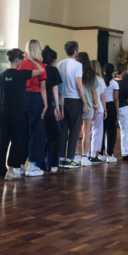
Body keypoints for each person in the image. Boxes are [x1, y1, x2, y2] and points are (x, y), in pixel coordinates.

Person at [0, 49, 44, 180]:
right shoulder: (21, 74)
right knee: (17, 140)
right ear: (17, 60)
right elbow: (41, 70)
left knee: (3, 141)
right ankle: (11, 170)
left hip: (5, 110)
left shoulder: (2, 75)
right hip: (18, 111)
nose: (22, 62)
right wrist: (31, 59)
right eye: (22, 60)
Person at [17, 39, 47, 177]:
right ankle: (32, 166)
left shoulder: (21, 64)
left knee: (23, 131)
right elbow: (43, 88)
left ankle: (20, 165)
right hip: (35, 98)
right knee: (35, 132)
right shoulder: (40, 65)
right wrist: (46, 104)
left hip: (22, 98)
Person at [57, 41, 87, 169]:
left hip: (62, 99)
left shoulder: (60, 64)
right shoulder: (78, 65)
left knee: (63, 130)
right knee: (74, 131)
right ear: (75, 51)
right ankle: (70, 159)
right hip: (75, 99)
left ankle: (61, 158)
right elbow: (79, 85)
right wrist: (85, 102)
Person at [42, 46, 63, 174]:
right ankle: (54, 165)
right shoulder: (53, 70)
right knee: (55, 137)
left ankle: (38, 163)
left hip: (36, 106)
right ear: (54, 60)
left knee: (40, 136)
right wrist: (56, 107)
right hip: (48, 107)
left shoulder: (38, 69)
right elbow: (55, 90)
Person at [77, 52, 100, 166]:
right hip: (89, 105)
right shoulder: (91, 75)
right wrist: (96, 106)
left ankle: (75, 155)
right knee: (86, 131)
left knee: (75, 131)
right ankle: (84, 157)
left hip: (76, 104)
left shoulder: (75, 72)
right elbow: (94, 92)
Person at [89, 60, 107, 163]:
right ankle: (93, 155)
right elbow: (102, 96)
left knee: (88, 132)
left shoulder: (86, 79)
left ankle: (86, 155)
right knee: (97, 132)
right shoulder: (100, 80)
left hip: (88, 107)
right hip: (98, 108)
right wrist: (105, 109)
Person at [101, 63, 119, 163]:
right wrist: (117, 113)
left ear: (103, 71)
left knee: (101, 131)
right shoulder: (114, 83)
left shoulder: (100, 81)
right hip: (111, 106)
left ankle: (100, 154)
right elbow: (116, 99)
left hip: (101, 106)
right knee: (111, 132)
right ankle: (110, 154)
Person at [114, 64, 128, 161]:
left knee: (110, 131)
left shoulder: (111, 82)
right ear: (123, 72)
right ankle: (125, 153)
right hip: (123, 108)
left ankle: (108, 153)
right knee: (125, 131)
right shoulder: (125, 83)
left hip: (112, 108)